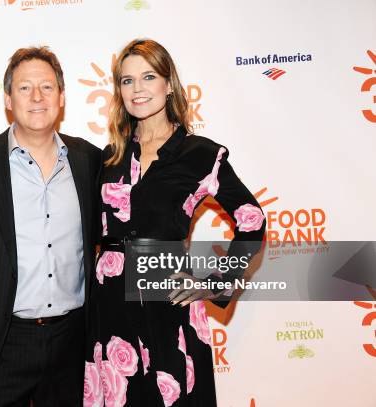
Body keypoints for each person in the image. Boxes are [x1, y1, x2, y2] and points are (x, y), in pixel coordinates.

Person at [83, 39, 266, 406]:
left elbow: (252, 219)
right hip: (110, 304)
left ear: (169, 85)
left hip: (167, 301)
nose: (137, 89)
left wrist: (216, 283)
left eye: (148, 77)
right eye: (127, 80)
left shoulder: (200, 154)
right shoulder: (109, 157)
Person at [0, 46, 101, 406]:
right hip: (1, 341)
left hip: (73, 341)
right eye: (25, 88)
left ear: (62, 97)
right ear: (8, 99)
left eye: (47, 87)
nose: (37, 97)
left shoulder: (90, 159)